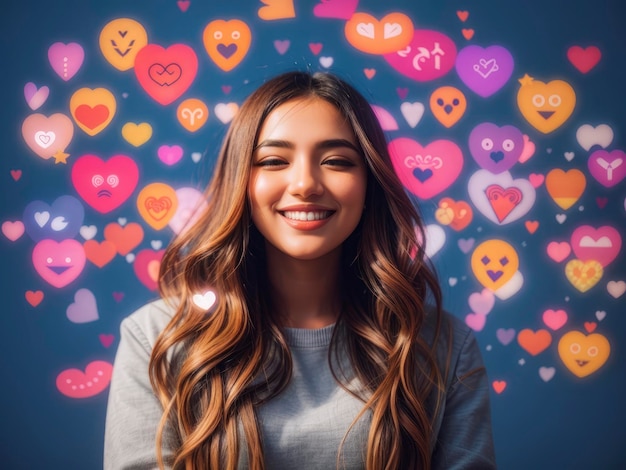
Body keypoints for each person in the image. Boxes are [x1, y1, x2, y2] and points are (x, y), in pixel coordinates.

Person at [104, 71, 496, 469]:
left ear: (369, 184)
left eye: (337, 161)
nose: (305, 183)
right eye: (274, 161)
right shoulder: (156, 338)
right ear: (242, 181)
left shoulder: (442, 347)